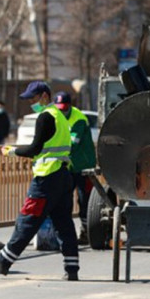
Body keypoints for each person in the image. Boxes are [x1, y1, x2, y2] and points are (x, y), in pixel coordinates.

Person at [0, 81, 80, 281]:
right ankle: (72, 269)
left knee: (27, 220)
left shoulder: (45, 117)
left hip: (46, 178)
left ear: (44, 96)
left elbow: (35, 149)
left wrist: (12, 151)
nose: (31, 103)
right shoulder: (59, 116)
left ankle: (3, 261)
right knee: (64, 224)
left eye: (33, 98)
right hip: (63, 176)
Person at [54, 91, 96, 245]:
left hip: (82, 165)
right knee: (65, 198)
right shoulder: (55, 117)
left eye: (64, 108)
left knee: (84, 199)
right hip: (68, 165)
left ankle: (86, 232)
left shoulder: (78, 119)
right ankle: (67, 233)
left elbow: (73, 144)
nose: (62, 112)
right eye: (59, 109)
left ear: (70, 106)